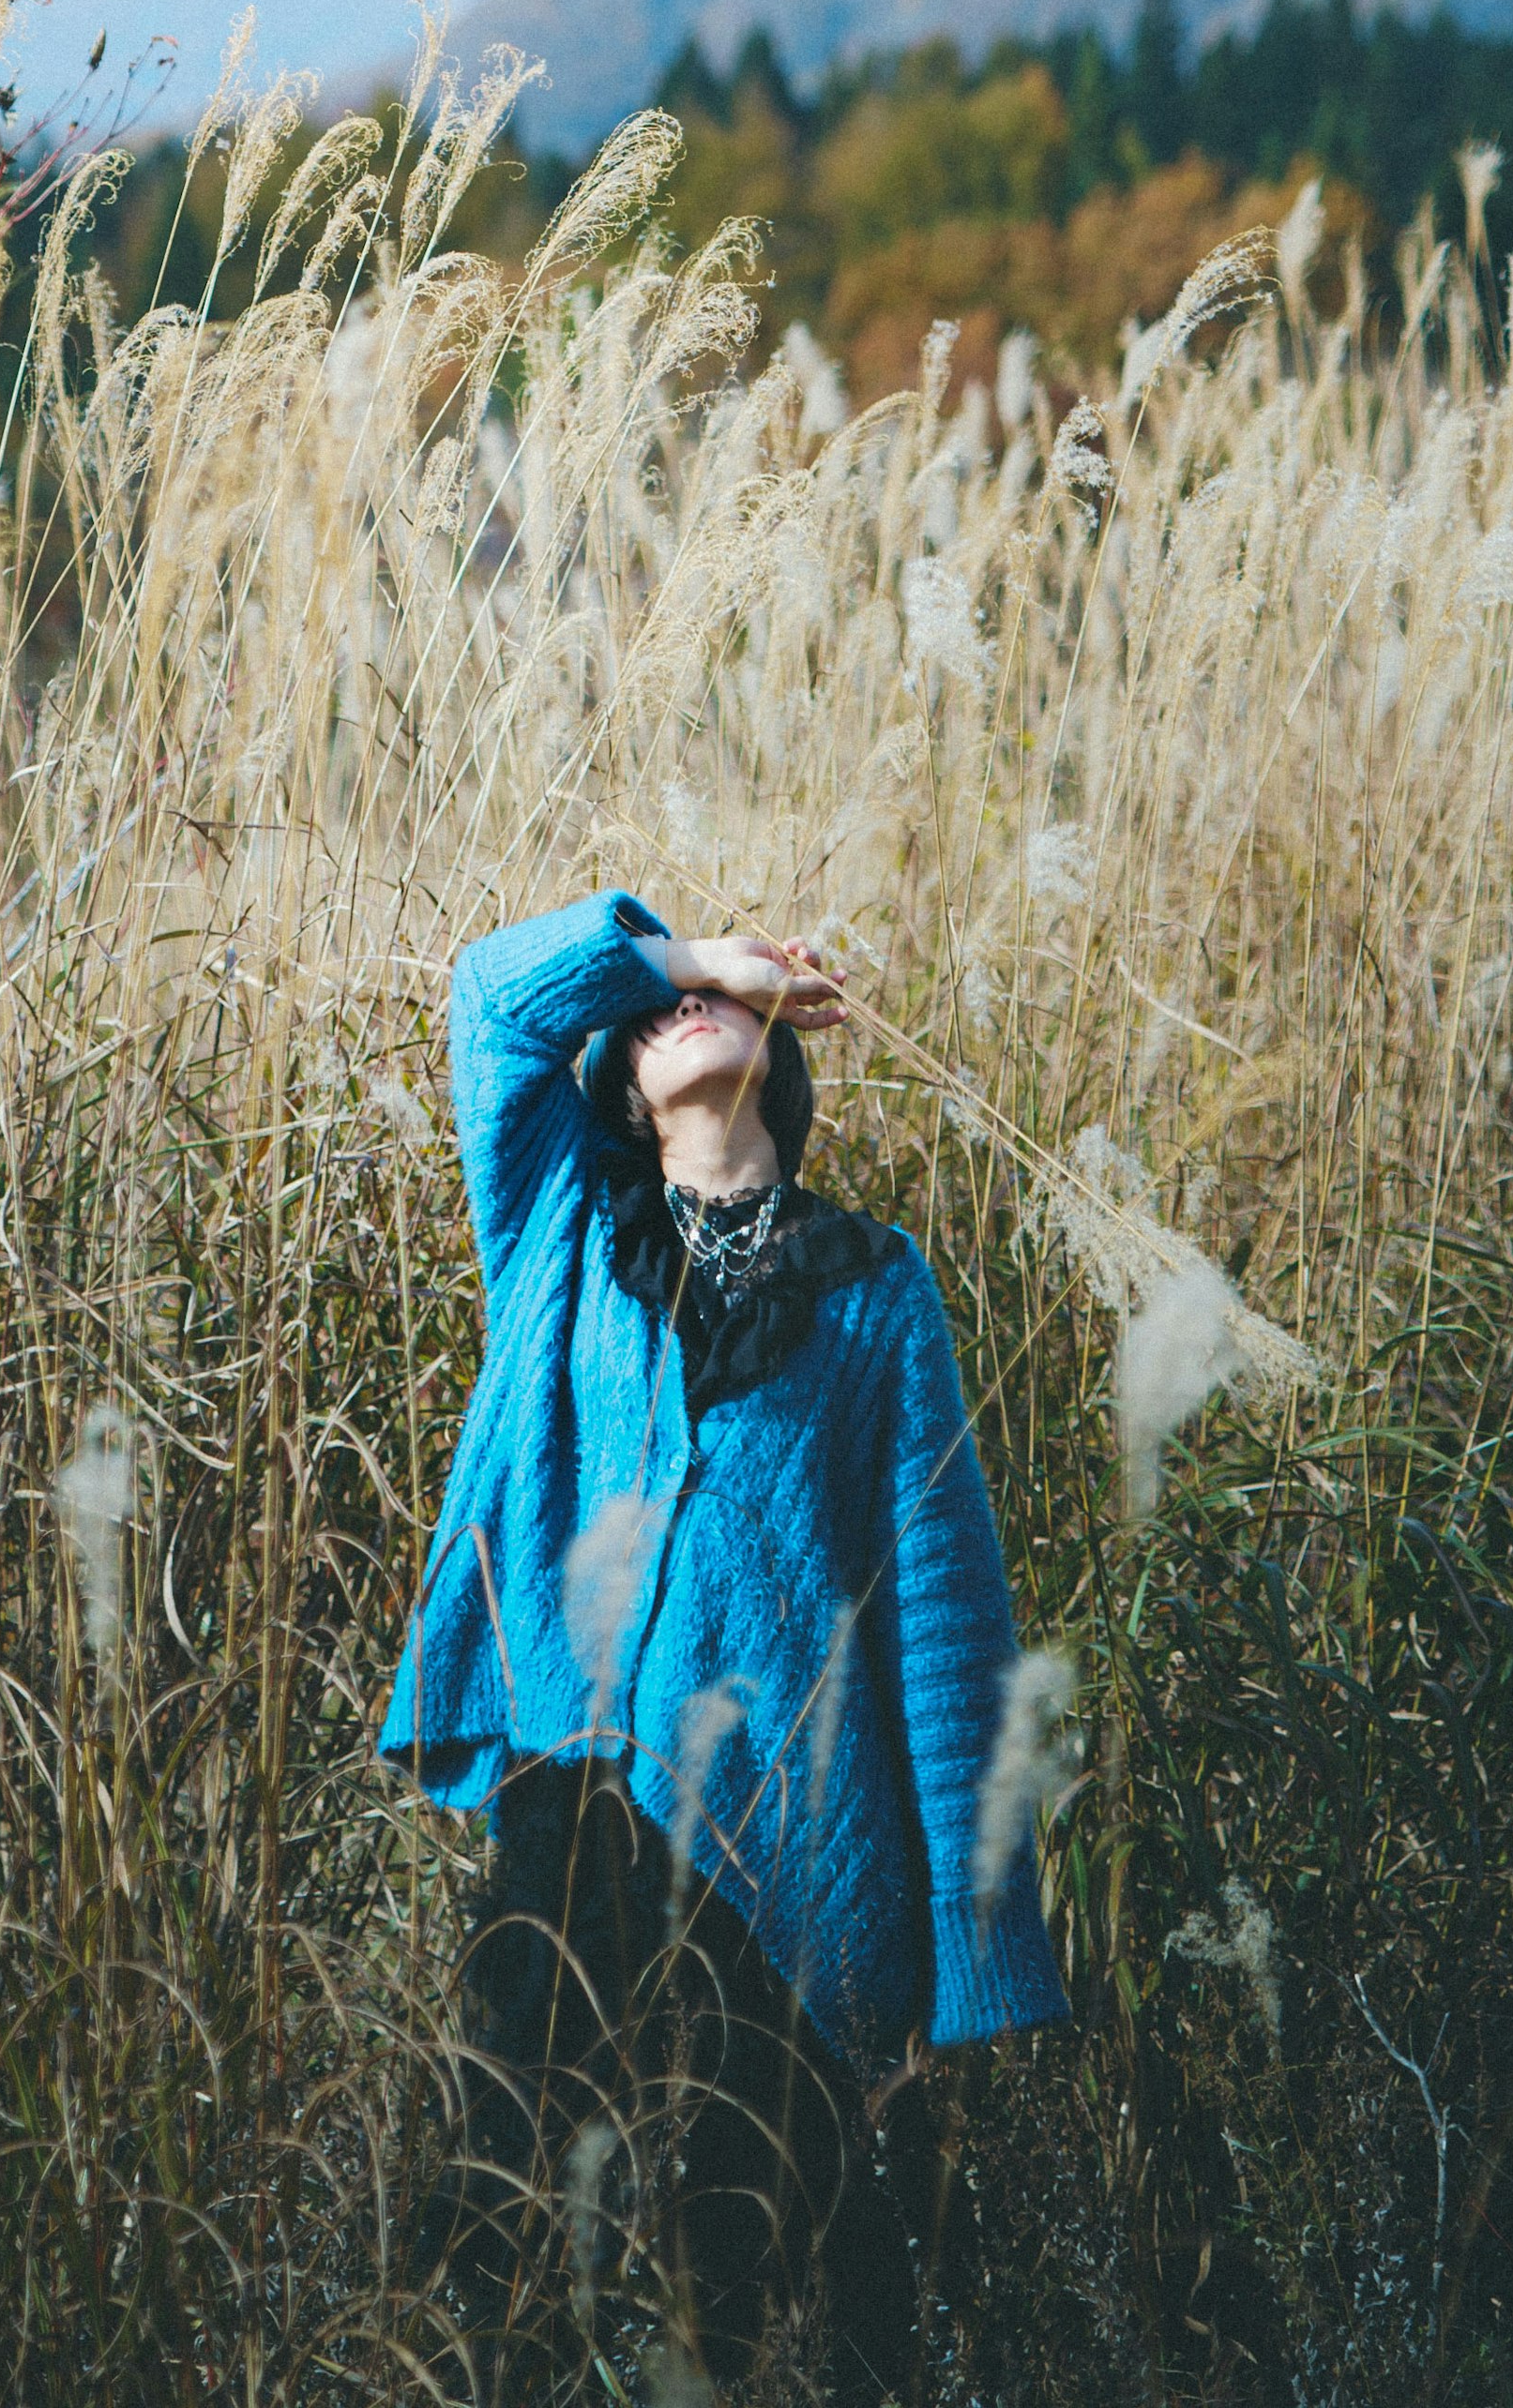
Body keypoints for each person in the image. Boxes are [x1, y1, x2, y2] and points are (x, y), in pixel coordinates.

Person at [382, 891, 1068, 2399]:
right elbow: (492, 998)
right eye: (655, 1017)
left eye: (723, 1010)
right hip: (579, 1799)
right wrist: (698, 965)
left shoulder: (879, 1291)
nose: (686, 1020)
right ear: (623, 1083)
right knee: (508, 2217)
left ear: (787, 1065)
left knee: (736, 2289)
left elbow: (949, 1625)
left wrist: (968, 1958)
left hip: (793, 1857)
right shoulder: (561, 1223)